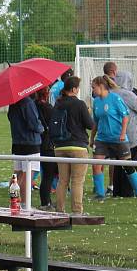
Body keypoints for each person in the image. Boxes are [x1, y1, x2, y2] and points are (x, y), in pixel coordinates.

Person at [90, 76, 137, 201]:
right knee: (96, 165)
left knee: (127, 165)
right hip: (102, 140)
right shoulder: (96, 102)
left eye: (93, 87)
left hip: (118, 138)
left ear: (101, 86)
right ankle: (100, 194)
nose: (92, 90)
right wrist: (92, 138)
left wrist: (122, 134)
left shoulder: (115, 98)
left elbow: (125, 116)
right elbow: (96, 121)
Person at [53, 76, 95, 214]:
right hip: (77, 146)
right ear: (74, 89)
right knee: (77, 181)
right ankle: (77, 211)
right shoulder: (79, 104)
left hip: (60, 146)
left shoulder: (58, 103)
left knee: (62, 181)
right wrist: (88, 112)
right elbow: (90, 125)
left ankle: (59, 209)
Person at [111, 71, 137, 199]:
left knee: (118, 163)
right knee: (131, 162)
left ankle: (117, 190)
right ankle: (128, 191)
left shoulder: (111, 93)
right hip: (131, 133)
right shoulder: (129, 95)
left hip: (116, 133)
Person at [7, 93, 43, 203]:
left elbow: (10, 117)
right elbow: (34, 124)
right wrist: (42, 127)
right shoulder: (27, 102)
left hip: (17, 142)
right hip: (30, 143)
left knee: (17, 174)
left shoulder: (13, 103)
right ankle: (24, 204)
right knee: (27, 175)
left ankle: (14, 200)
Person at [35, 87, 57, 210]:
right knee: (48, 175)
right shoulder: (47, 108)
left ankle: (47, 200)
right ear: (46, 94)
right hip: (48, 144)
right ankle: (46, 202)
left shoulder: (34, 106)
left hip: (40, 143)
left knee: (47, 174)